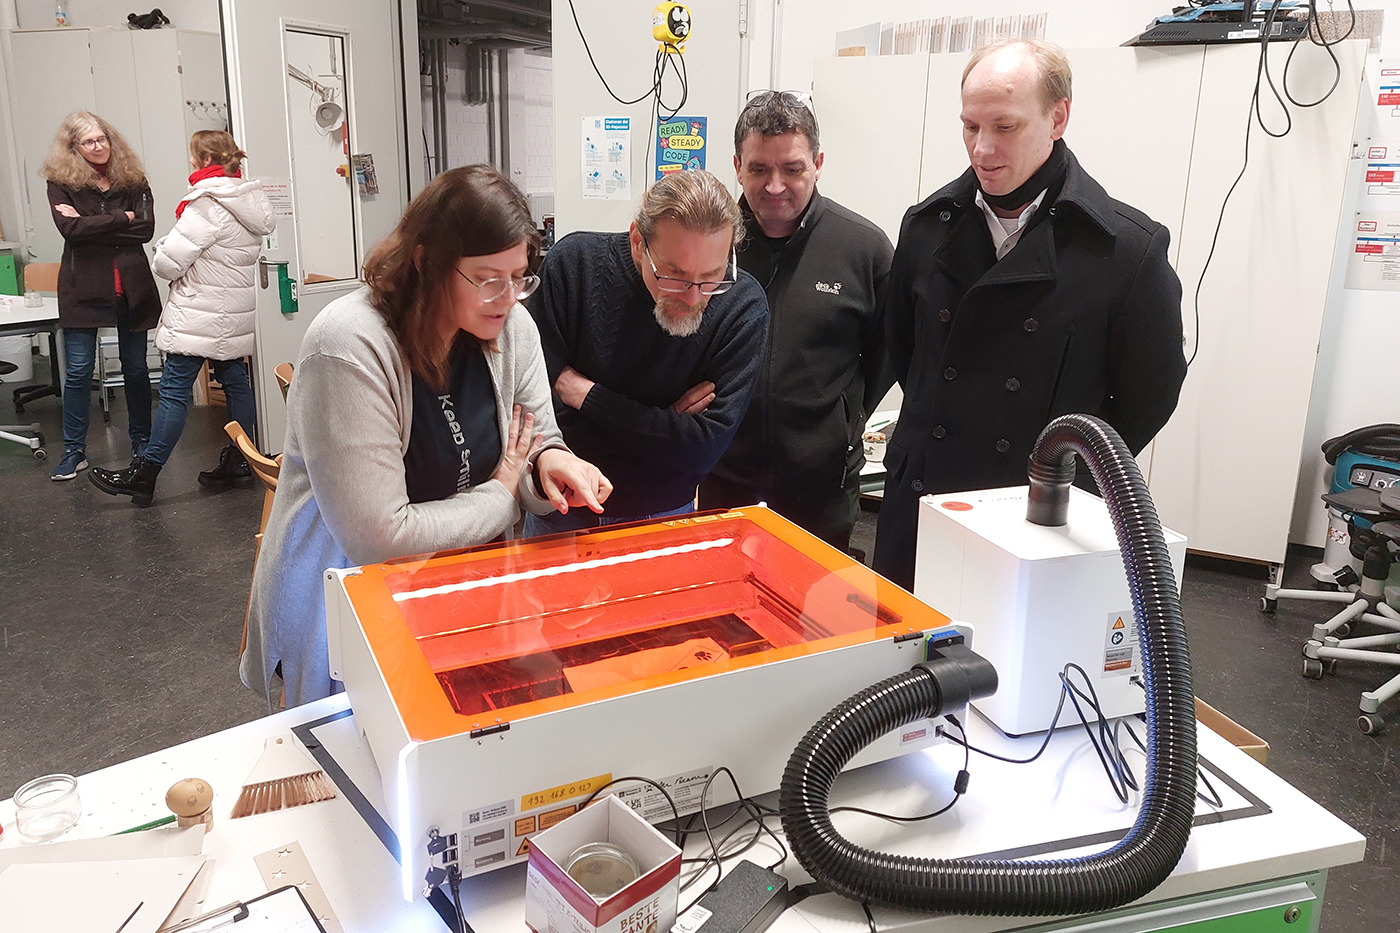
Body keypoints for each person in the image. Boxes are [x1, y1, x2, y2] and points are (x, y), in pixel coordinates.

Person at [241, 165, 612, 709]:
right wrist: (501, 495)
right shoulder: (350, 345)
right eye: (487, 277)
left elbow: (533, 440)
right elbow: (380, 540)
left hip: (461, 598)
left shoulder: (513, 327)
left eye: (519, 276)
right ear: (425, 262)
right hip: (349, 608)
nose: (508, 296)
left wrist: (549, 466)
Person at [872, 39, 1187, 589]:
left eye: (1005, 126)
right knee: (911, 661)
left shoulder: (1124, 250)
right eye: (970, 126)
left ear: (1058, 117)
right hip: (922, 499)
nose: (982, 148)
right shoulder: (926, 227)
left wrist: (1062, 479)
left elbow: (1150, 393)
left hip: (1037, 516)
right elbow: (905, 350)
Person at [698, 91, 893, 553]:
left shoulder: (863, 249)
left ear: (818, 162)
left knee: (818, 618)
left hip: (821, 489)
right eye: (759, 169)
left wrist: (845, 416)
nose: (775, 186)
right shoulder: (710, 244)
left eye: (792, 168)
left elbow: (889, 352)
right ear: (737, 165)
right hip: (724, 480)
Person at [525, 169, 768, 535]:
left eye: (711, 277)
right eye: (674, 275)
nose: (693, 297)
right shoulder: (573, 267)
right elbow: (536, 417)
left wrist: (587, 395)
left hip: (666, 514)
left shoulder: (742, 307)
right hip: (561, 513)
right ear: (638, 241)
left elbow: (701, 450)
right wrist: (663, 424)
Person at [90, 130, 275, 506]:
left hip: (199, 314)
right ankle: (241, 462)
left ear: (205, 160)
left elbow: (168, 263)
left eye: (193, 156)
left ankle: (145, 474)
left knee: (174, 393)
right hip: (231, 313)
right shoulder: (248, 201)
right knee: (236, 382)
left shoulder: (207, 205)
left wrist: (160, 246)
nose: (190, 162)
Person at [42, 112, 159, 482]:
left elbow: (146, 229)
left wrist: (95, 224)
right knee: (77, 372)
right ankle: (73, 450)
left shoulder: (133, 179)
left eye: (102, 139)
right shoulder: (60, 182)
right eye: (88, 142)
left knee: (137, 369)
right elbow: (71, 230)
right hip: (82, 288)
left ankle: (143, 441)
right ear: (73, 147)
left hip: (131, 286)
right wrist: (122, 218)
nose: (98, 147)